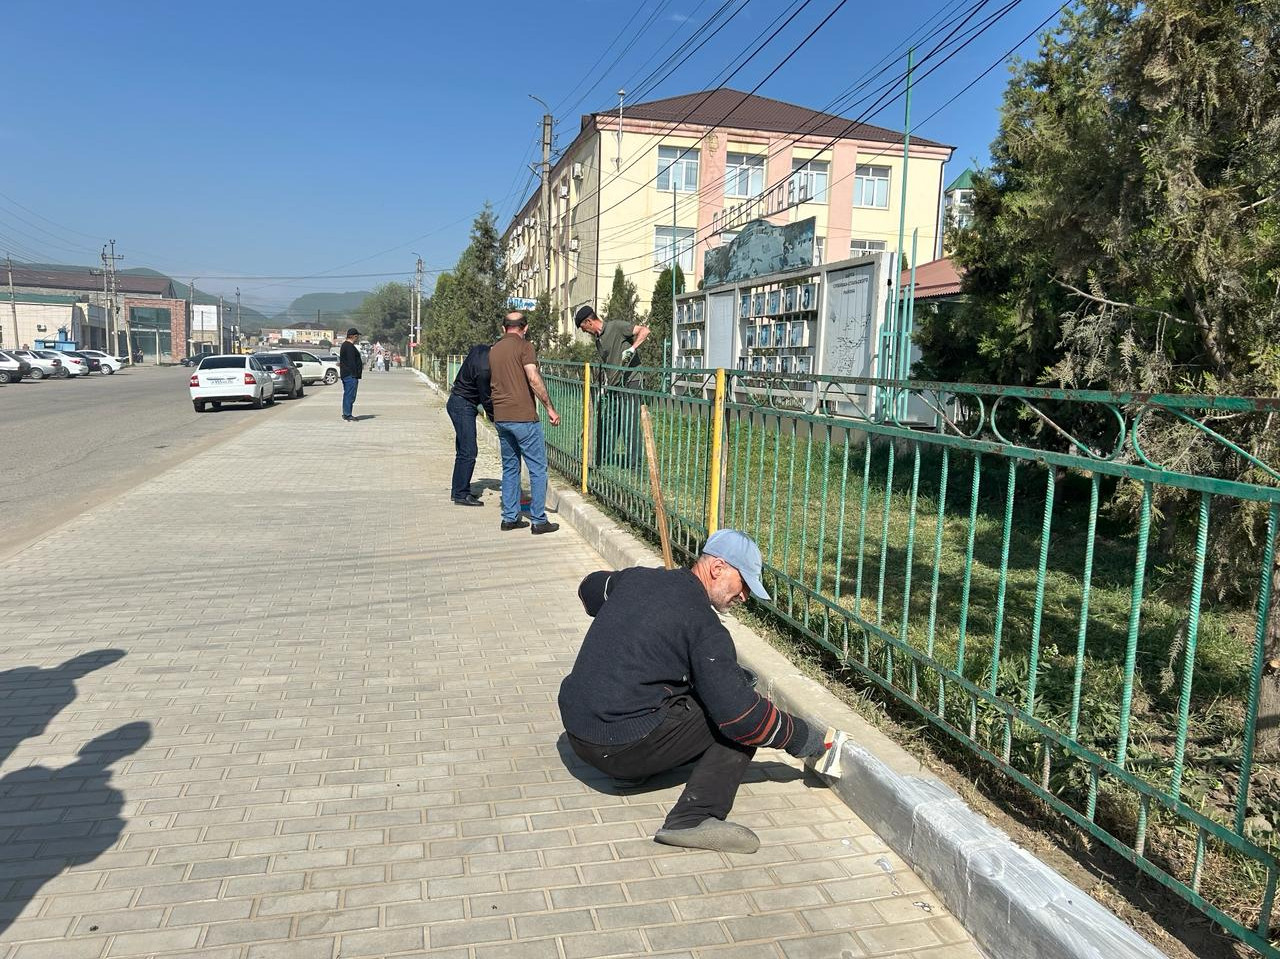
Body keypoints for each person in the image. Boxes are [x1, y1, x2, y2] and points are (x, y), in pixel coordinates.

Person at [558, 530, 840, 854]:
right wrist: (805, 738)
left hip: (579, 732)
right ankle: (693, 818)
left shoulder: (638, 579)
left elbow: (589, 588)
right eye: (744, 583)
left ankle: (640, 771)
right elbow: (744, 720)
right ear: (718, 568)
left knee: (706, 684)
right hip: (618, 748)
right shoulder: (705, 627)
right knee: (739, 707)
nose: (744, 596)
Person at [488, 311, 560, 534]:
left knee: (510, 468)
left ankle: (509, 518)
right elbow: (533, 377)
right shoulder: (525, 347)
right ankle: (539, 521)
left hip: (501, 417)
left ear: (503, 328)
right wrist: (549, 407)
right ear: (525, 328)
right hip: (523, 417)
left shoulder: (494, 350)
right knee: (538, 469)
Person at [574, 305, 649, 468]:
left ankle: (635, 465)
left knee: (629, 423)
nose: (583, 331)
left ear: (589, 321)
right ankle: (603, 459)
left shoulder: (616, 327)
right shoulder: (598, 340)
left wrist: (632, 348)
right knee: (610, 421)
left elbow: (644, 331)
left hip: (631, 381)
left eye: (583, 327)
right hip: (614, 384)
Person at [447, 343, 494, 507]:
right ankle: (461, 494)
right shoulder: (485, 369)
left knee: (462, 451)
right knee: (469, 451)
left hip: (457, 402)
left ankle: (458, 490)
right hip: (463, 405)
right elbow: (486, 398)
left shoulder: (479, 349)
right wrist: (496, 419)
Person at [339, 327, 363, 422]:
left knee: (348, 394)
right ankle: (347, 414)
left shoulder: (346, 345)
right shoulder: (349, 346)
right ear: (353, 336)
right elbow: (351, 361)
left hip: (347, 374)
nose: (357, 338)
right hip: (350, 375)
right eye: (357, 336)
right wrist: (355, 374)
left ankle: (347, 413)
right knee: (350, 395)